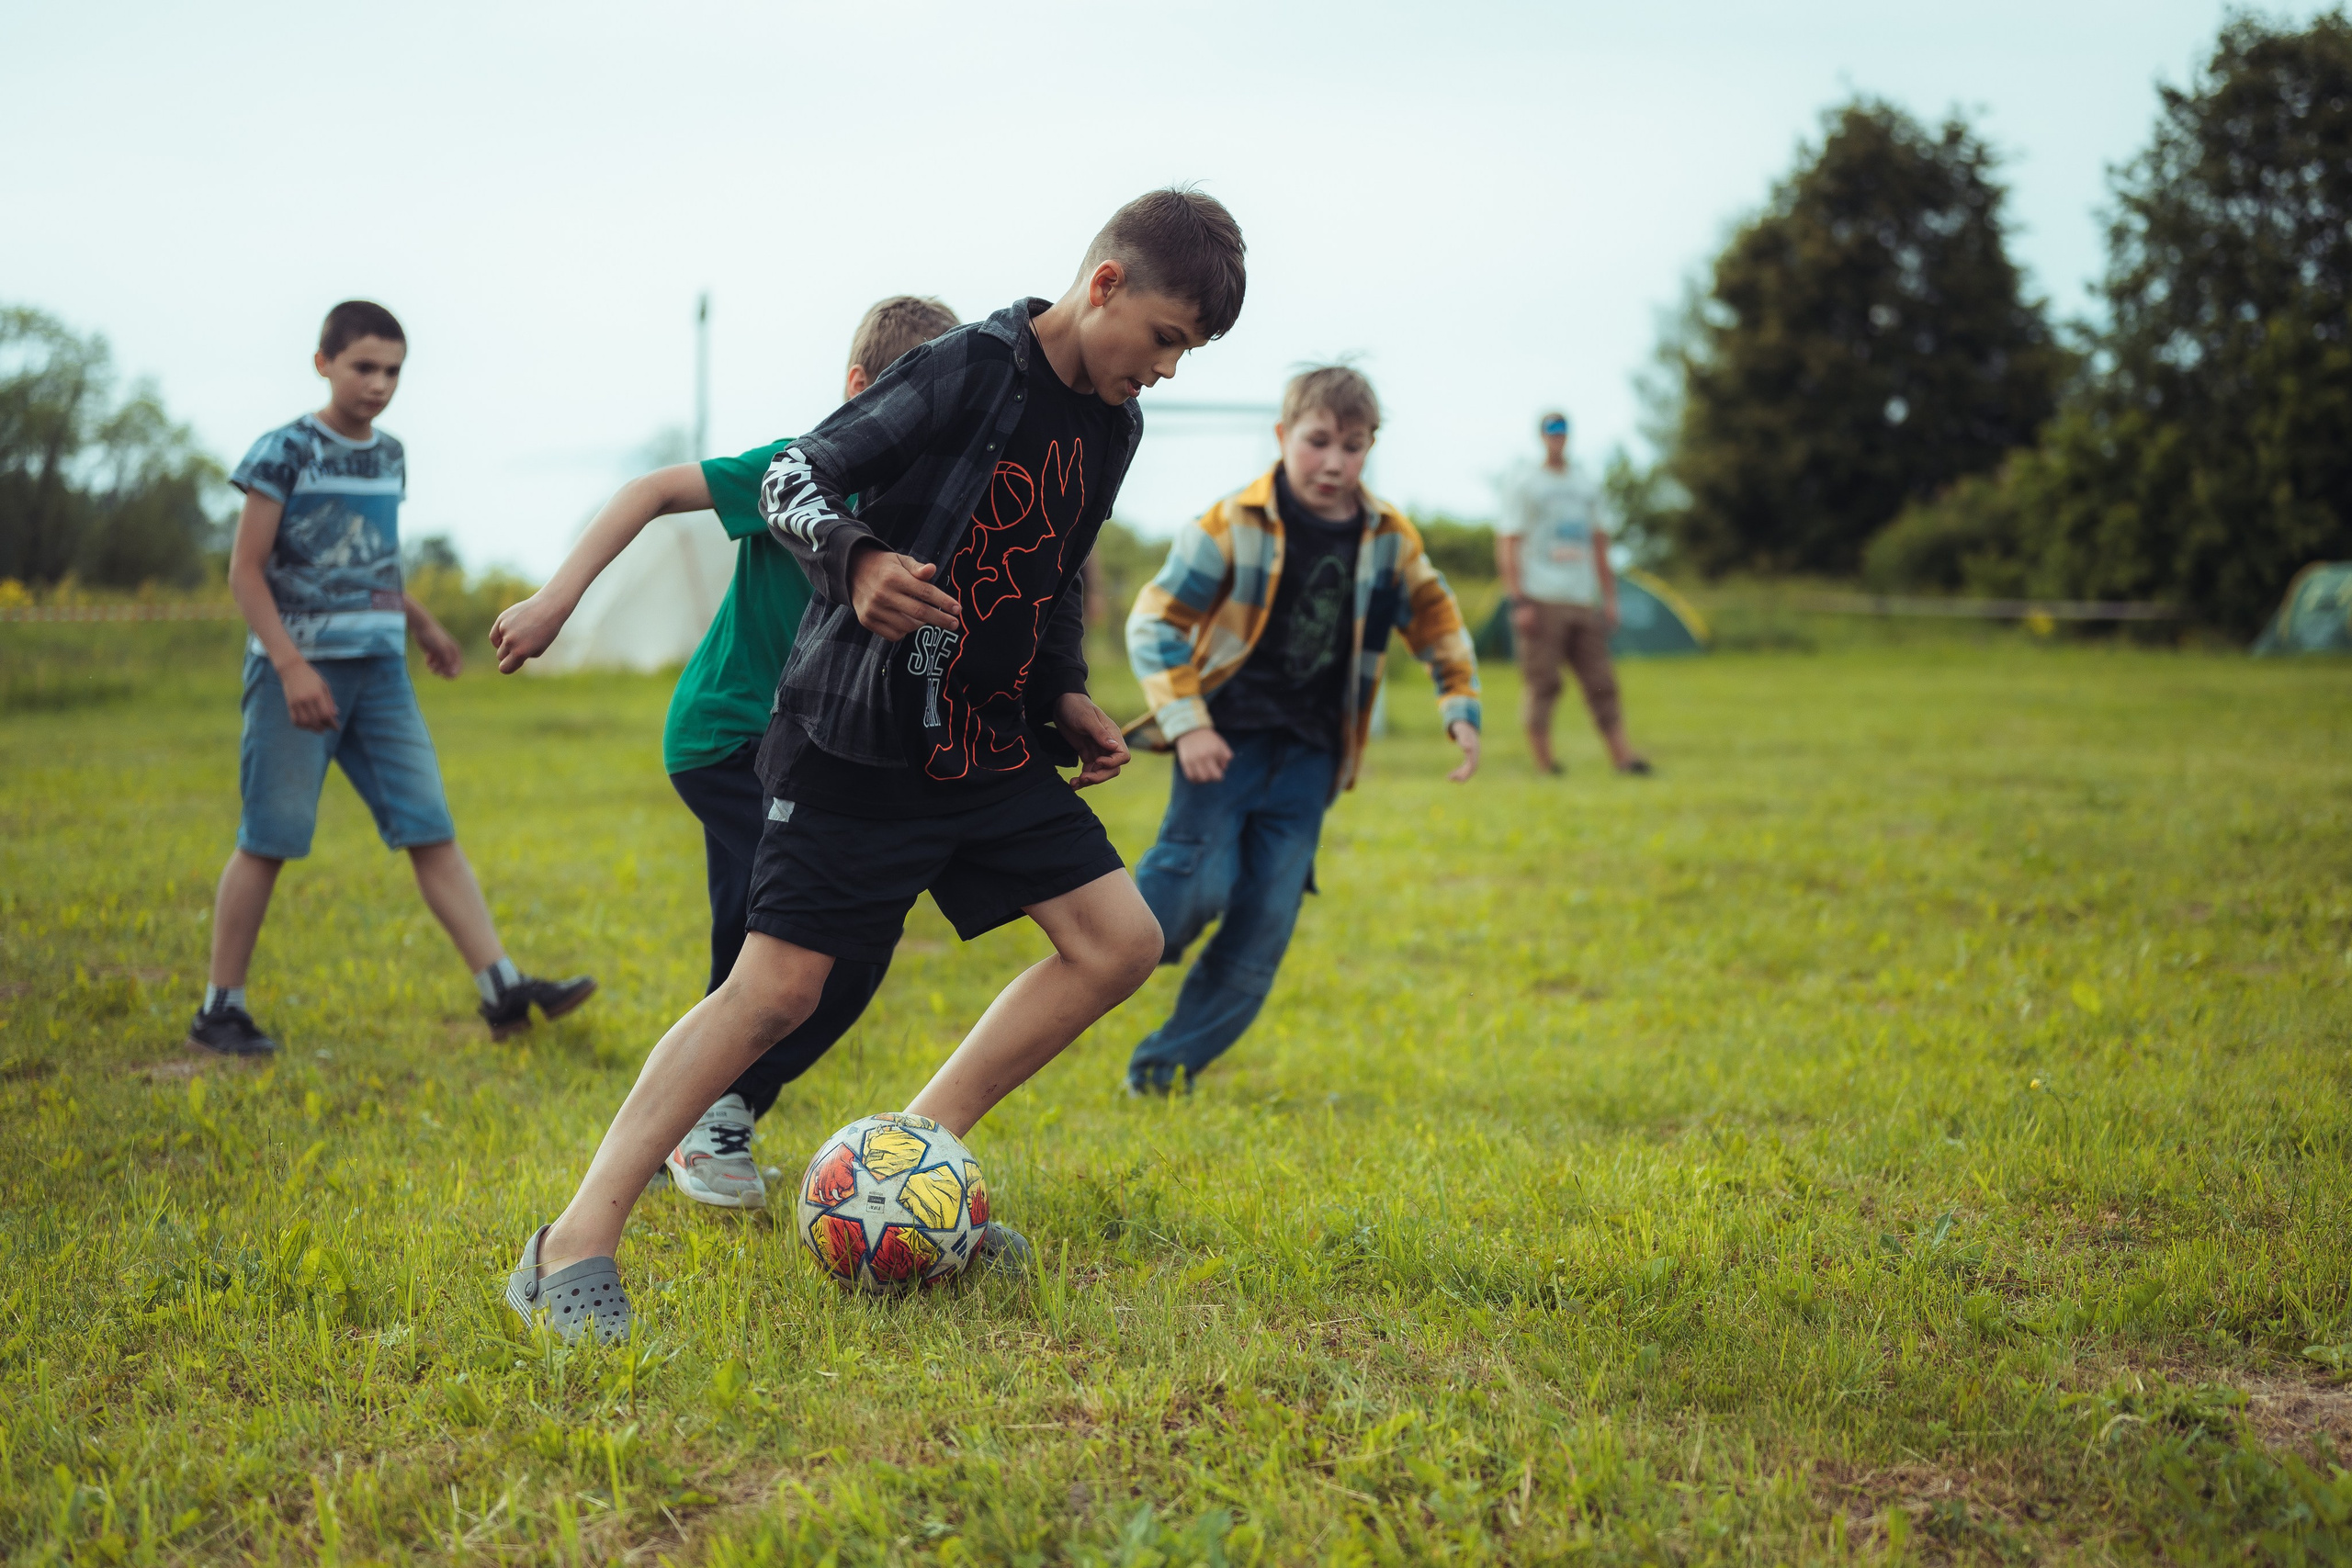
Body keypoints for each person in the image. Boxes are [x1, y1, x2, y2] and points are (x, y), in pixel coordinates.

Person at [501, 187, 1249, 1342]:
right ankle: (571, 1245)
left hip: (985, 744)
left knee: (1120, 943)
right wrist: (854, 563)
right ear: (1104, 284)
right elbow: (797, 478)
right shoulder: (964, 366)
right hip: (854, 733)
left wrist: (1064, 693)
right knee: (775, 993)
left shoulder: (1113, 423)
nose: (1167, 370)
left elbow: (1056, 574)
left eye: (1186, 353)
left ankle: (898, 1171)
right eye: (1165, 339)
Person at [489, 297, 959, 1210]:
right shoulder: (802, 469)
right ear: (862, 391)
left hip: (822, 749)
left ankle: (700, 1122)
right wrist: (556, 600)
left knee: (770, 951)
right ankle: (717, 1116)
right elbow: (652, 492)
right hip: (733, 734)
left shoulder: (927, 497)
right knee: (815, 943)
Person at [189, 301, 595, 1059]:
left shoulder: (389, 454)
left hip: (380, 670)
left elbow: (366, 559)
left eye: (393, 371)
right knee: (268, 837)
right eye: (363, 367)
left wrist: (421, 620)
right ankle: (221, 1007)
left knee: (429, 826)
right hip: (297, 672)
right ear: (323, 363)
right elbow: (245, 573)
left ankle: (501, 987)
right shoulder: (283, 451)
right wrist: (290, 666)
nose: (378, 384)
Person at [1120, 366, 1481, 1095]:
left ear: (1370, 448)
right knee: (1193, 890)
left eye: (1353, 446)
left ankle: (1162, 1071)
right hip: (1222, 746)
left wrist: (1458, 703)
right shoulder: (1232, 523)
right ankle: (1104, 954)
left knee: (1265, 920)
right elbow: (1155, 620)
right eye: (1318, 442)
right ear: (1285, 437)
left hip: (1313, 758)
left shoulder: (1389, 540)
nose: (1335, 462)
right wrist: (1188, 723)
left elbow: (1438, 619)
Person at [1494, 410, 1649, 775]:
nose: (1557, 437)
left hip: (1582, 599)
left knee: (1601, 682)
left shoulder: (1585, 483)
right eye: (1551, 431)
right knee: (1544, 682)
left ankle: (1623, 758)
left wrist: (1609, 598)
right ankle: (1545, 762)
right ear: (1541, 436)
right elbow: (1508, 543)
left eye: (1562, 430)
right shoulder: (1526, 482)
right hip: (1541, 596)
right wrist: (1518, 600)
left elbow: (1599, 543)